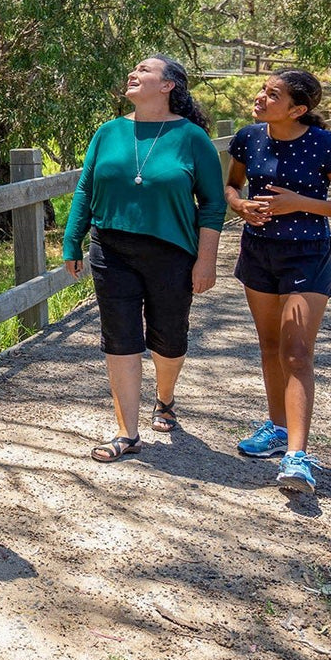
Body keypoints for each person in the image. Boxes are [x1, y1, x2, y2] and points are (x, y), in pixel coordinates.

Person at [63, 56, 226, 462]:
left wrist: (206, 261)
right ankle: (127, 432)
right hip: (110, 247)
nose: (133, 74)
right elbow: (85, 189)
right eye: (131, 69)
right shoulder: (109, 131)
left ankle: (165, 398)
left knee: (168, 339)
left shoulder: (192, 138)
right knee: (120, 337)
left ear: (169, 86)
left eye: (144, 70)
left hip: (171, 252)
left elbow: (212, 204)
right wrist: (72, 239)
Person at [226, 69, 331, 494]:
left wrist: (297, 204)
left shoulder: (324, 145)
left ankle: (298, 458)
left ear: (298, 109)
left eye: (273, 94)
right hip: (258, 253)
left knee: (298, 353)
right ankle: (278, 428)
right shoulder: (248, 137)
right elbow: (230, 186)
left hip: (307, 255)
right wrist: (241, 207)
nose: (261, 97)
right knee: (270, 347)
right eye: (264, 90)